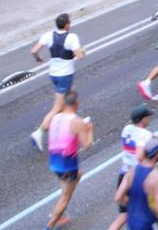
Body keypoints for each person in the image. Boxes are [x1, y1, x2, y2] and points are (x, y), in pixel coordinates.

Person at [29, 13, 86, 152]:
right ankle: (39, 132)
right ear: (66, 25)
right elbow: (79, 56)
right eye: (69, 22)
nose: (70, 25)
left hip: (53, 74)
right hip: (64, 75)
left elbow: (34, 51)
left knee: (72, 96)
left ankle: (76, 121)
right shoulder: (71, 37)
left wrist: (37, 58)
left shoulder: (48, 35)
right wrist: (82, 52)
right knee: (57, 108)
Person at [45, 89, 93, 230]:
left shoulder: (56, 117)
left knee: (77, 176)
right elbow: (87, 145)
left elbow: (48, 127)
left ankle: (58, 212)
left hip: (54, 161)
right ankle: (50, 225)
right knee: (65, 197)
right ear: (76, 103)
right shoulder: (77, 121)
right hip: (67, 165)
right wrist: (89, 130)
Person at [116, 139, 158, 230]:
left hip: (132, 221)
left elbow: (118, 197)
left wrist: (133, 206)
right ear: (157, 154)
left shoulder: (131, 171)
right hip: (147, 224)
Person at [109, 106, 156, 230]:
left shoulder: (126, 129)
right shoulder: (146, 135)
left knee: (123, 215)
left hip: (124, 173)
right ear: (143, 119)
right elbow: (143, 154)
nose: (149, 118)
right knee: (151, 202)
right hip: (138, 178)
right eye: (147, 116)